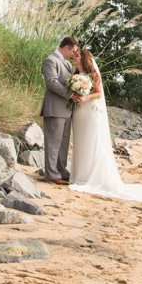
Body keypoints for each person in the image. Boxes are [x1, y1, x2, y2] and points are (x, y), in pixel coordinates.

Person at [69, 49, 142, 202]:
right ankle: (79, 175)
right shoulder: (74, 75)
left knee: (91, 141)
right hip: (79, 114)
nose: (74, 58)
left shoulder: (93, 74)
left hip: (90, 111)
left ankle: (90, 176)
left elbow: (99, 93)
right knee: (80, 141)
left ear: (84, 59)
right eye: (74, 56)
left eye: (77, 56)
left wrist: (86, 97)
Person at [40, 36, 84, 185]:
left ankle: (61, 171)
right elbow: (51, 82)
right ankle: (52, 174)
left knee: (63, 143)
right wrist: (71, 94)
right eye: (74, 51)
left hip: (66, 110)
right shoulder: (50, 61)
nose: (74, 54)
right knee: (53, 142)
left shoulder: (67, 64)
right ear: (67, 47)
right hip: (54, 108)